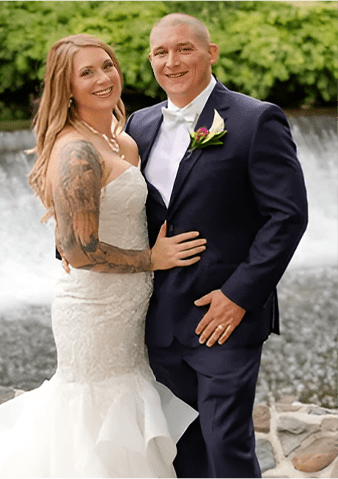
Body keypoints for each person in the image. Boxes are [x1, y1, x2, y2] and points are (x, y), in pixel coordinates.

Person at [0, 33, 207, 478]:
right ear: (65, 86)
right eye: (86, 72)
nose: (103, 77)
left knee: (123, 412)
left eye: (107, 65)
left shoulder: (119, 140)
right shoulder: (77, 151)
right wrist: (153, 259)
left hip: (129, 308)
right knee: (95, 416)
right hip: (94, 310)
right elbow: (78, 250)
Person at [125, 13, 308, 479]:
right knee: (182, 449)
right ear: (150, 60)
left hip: (223, 319)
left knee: (226, 443)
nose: (171, 61)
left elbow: (286, 217)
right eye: (160, 52)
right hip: (157, 320)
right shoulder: (138, 125)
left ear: (211, 53)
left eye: (184, 48)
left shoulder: (254, 119)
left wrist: (239, 296)